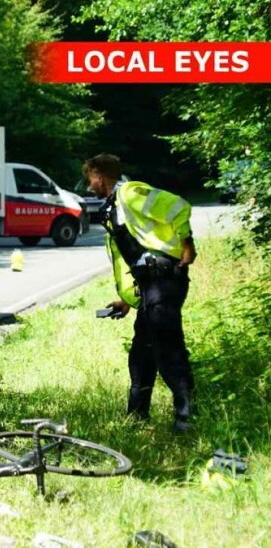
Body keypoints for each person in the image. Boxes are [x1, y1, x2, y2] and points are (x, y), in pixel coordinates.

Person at [83, 153, 196, 433]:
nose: (89, 187)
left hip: (164, 280)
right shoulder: (115, 208)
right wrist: (127, 299)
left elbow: (178, 206)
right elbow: (130, 257)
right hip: (149, 286)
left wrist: (187, 243)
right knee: (142, 356)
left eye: (90, 180)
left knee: (168, 349)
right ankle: (136, 418)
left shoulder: (130, 192)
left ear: (99, 175)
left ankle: (187, 417)